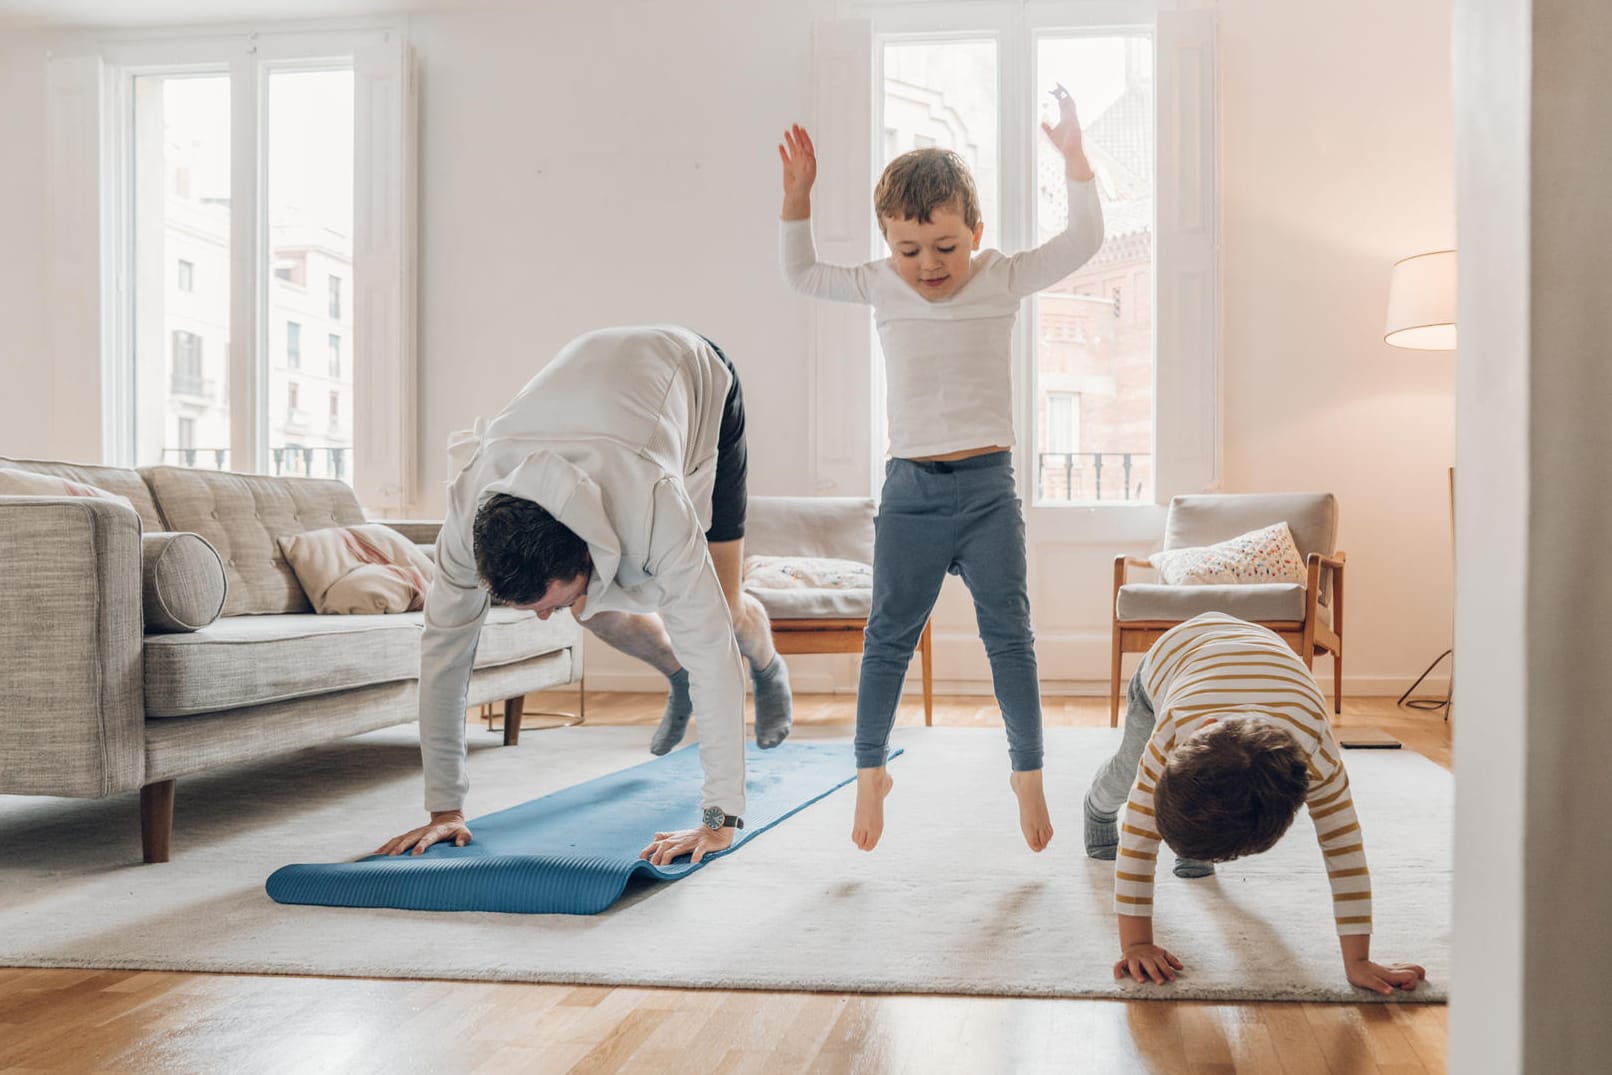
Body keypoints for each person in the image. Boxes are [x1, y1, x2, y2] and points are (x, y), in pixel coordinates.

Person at [775, 86, 1104, 853]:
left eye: (946, 248)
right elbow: (800, 273)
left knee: (1009, 635)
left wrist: (1077, 163)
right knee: (887, 636)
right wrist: (797, 196)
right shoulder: (877, 283)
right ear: (889, 244)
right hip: (911, 494)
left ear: (976, 234)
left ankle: (1027, 772)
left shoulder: (1002, 276)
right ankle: (869, 774)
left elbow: (1084, 241)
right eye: (909, 250)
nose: (928, 266)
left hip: (989, 490)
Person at [376, 325, 792, 866]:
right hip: (595, 400)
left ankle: (769, 665)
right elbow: (443, 656)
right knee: (590, 611)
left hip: (697, 380)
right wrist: (444, 810)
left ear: (585, 555)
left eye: (547, 602)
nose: (545, 618)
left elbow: (713, 652)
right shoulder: (467, 513)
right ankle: (674, 672)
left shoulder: (654, 503)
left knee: (725, 613)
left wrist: (718, 821)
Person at [1086, 611, 1427, 994]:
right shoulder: (1173, 729)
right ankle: (1096, 807)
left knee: (1213, 809)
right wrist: (1136, 943)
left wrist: (1358, 960)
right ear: (1197, 733)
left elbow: (1343, 850)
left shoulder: (1318, 755)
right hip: (1169, 660)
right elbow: (1138, 835)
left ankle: (1195, 849)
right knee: (1127, 772)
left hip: (1254, 658)